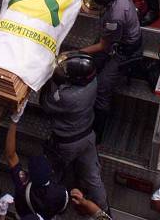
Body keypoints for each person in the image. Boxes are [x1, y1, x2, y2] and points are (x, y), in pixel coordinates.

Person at [40, 52, 108, 210]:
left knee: (53, 172)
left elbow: (45, 103)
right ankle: (103, 210)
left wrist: (54, 80)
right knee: (93, 177)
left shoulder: (66, 97)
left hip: (66, 143)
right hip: (88, 137)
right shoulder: (92, 81)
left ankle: (50, 203)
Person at [79, 0, 142, 139]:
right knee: (95, 62)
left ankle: (97, 131)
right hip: (117, 38)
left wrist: (79, 52)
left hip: (125, 49)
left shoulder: (114, 17)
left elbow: (104, 46)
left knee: (102, 87)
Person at [5, 122, 69, 218]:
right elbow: (61, 210)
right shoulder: (61, 193)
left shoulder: (22, 184)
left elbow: (10, 156)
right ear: (51, 171)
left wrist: (14, 121)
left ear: (29, 174)